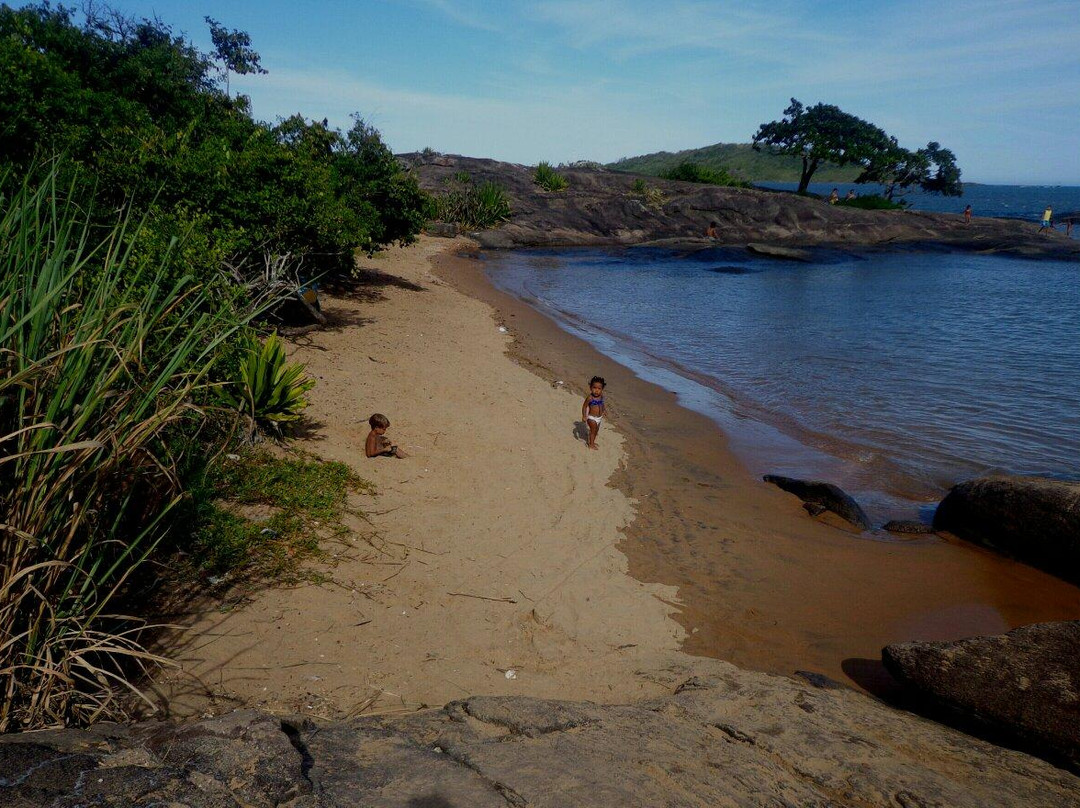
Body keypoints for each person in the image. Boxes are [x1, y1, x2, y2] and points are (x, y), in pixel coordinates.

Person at [581, 376, 606, 450]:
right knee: (593, 430)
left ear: (602, 389)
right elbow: (584, 407)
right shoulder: (590, 398)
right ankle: (591, 444)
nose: (596, 390)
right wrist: (584, 416)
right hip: (591, 417)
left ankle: (592, 442)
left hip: (599, 417)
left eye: (599, 389)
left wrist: (604, 410)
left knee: (596, 431)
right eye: (594, 388)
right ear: (590, 388)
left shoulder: (601, 396)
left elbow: (602, 404)